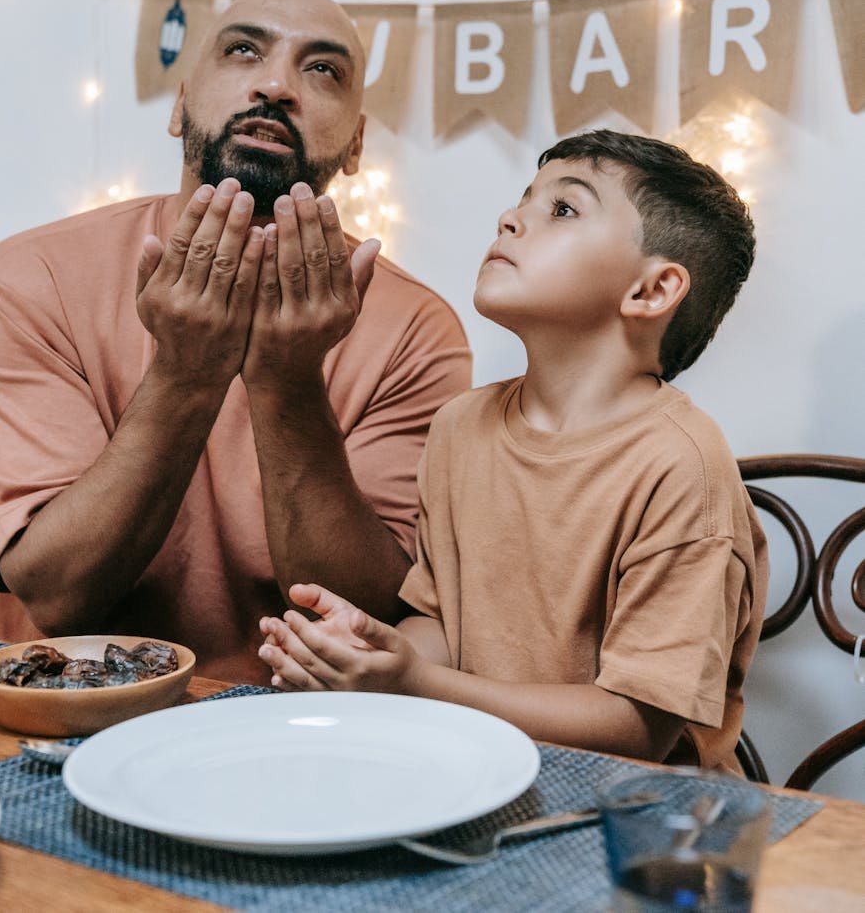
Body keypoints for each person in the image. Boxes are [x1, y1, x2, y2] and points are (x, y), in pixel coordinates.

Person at [0, 0, 470, 681]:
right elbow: (59, 595)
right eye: (244, 50)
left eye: (322, 70)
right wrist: (186, 373)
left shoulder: (415, 329)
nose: (276, 84)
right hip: (61, 719)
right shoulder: (29, 277)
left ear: (356, 144)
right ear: (180, 104)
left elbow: (366, 615)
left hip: (300, 722)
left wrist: (288, 380)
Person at [259, 130, 767, 770]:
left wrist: (417, 685)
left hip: (637, 824)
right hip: (474, 773)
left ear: (651, 291)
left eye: (563, 209)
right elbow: (441, 626)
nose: (510, 216)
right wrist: (379, 651)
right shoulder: (460, 426)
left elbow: (638, 728)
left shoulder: (681, 467)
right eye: (524, 198)